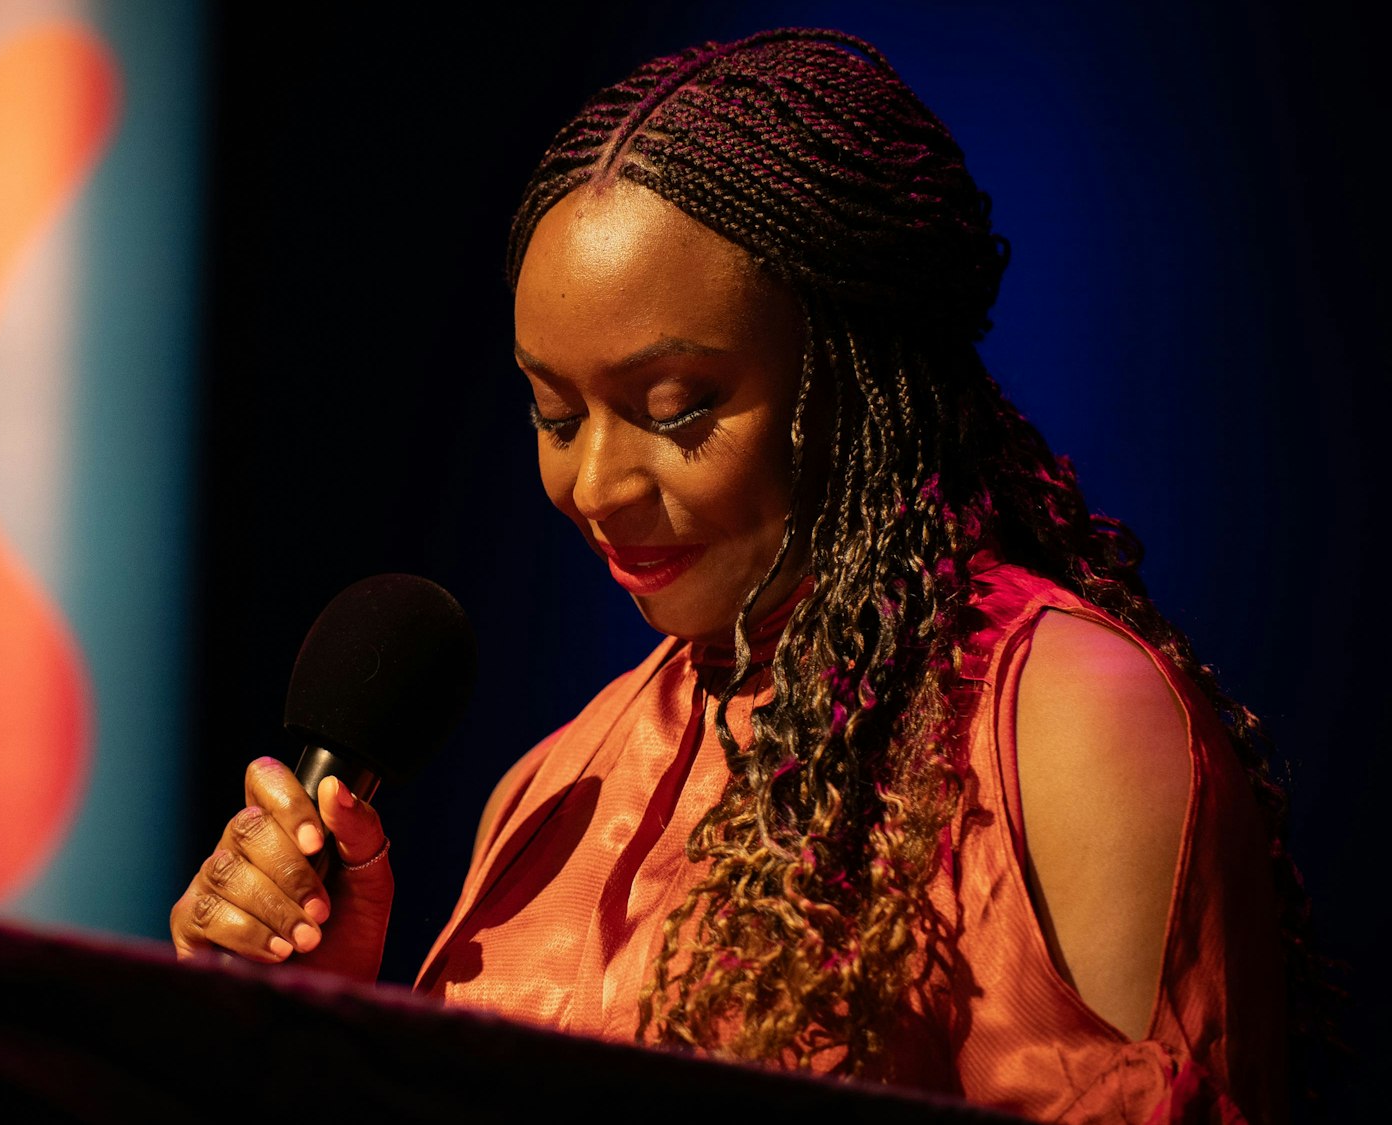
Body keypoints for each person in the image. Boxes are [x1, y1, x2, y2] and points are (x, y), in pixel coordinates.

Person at [169, 29, 1303, 1122]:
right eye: (554, 415)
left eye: (676, 410)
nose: (595, 484)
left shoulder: (1060, 725)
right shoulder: (550, 789)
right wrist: (322, 1025)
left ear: (857, 379)